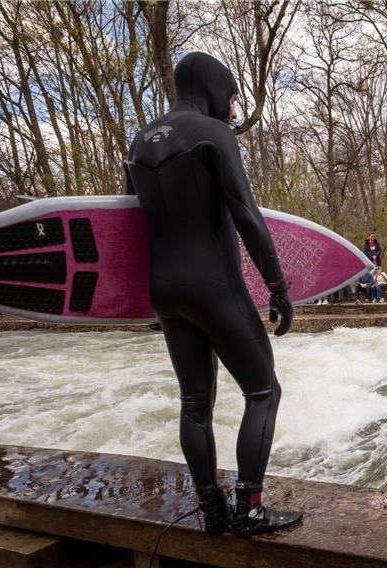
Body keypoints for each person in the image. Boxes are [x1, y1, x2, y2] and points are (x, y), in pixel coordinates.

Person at [125, 52, 300, 537]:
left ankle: (212, 511)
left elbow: (127, 226)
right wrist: (278, 287)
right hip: (213, 285)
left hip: (165, 293)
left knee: (194, 403)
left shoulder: (140, 142)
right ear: (212, 88)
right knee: (264, 390)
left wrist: (139, 304)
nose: (233, 108)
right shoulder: (212, 134)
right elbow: (246, 214)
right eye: (232, 97)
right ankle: (249, 510)